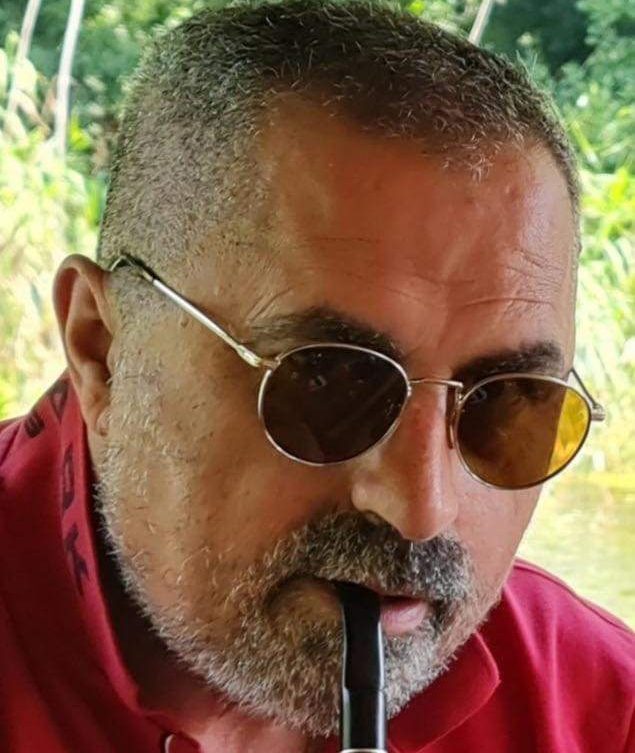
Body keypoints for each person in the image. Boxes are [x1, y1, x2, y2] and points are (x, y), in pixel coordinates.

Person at [0, 1, 632, 751]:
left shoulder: (600, 712)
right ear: (103, 349)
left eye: (507, 405)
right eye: (326, 383)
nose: (421, 509)